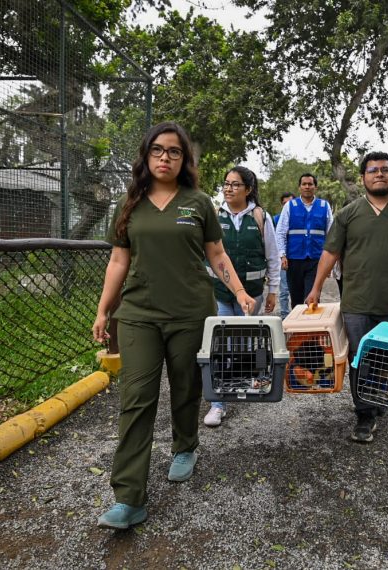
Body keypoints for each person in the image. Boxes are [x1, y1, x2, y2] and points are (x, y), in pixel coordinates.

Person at [91, 122, 255, 530]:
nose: (166, 158)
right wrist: (103, 310)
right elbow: (118, 261)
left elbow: (216, 253)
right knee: (137, 398)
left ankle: (185, 446)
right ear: (146, 155)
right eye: (158, 150)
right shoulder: (129, 203)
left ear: (185, 160)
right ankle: (129, 497)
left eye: (175, 152)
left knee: (186, 387)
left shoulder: (198, 203)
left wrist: (238, 291)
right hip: (139, 314)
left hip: (190, 313)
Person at [305, 151, 388, 443]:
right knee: (360, 358)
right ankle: (364, 414)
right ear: (363, 178)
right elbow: (330, 252)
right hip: (357, 301)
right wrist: (316, 287)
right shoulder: (349, 213)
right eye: (372, 170)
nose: (379, 174)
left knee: (387, 358)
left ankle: (377, 397)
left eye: (385, 169)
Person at [202, 166, 281, 428]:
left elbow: (272, 256)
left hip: (253, 295)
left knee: (247, 342)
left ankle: (252, 381)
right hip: (221, 293)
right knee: (222, 345)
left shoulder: (260, 217)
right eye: (226, 184)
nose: (228, 189)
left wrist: (273, 290)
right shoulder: (214, 215)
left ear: (248, 189)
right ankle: (218, 403)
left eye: (235, 185)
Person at [275, 173, 333, 307]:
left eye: (310, 184)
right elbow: (281, 232)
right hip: (294, 260)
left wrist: (330, 261)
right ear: (299, 187)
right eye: (304, 184)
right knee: (296, 300)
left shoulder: (324, 206)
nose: (307, 187)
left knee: (312, 298)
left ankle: (312, 326)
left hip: (316, 260)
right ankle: (298, 327)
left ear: (315, 187)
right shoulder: (290, 206)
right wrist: (282, 254)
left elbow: (331, 234)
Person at [273, 192, 295, 319]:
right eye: (284, 203)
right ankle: (285, 316)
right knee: (284, 290)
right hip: (282, 259)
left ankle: (298, 316)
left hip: (297, 258)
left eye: (289, 203)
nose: (287, 205)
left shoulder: (299, 218)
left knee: (297, 289)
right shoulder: (276, 219)